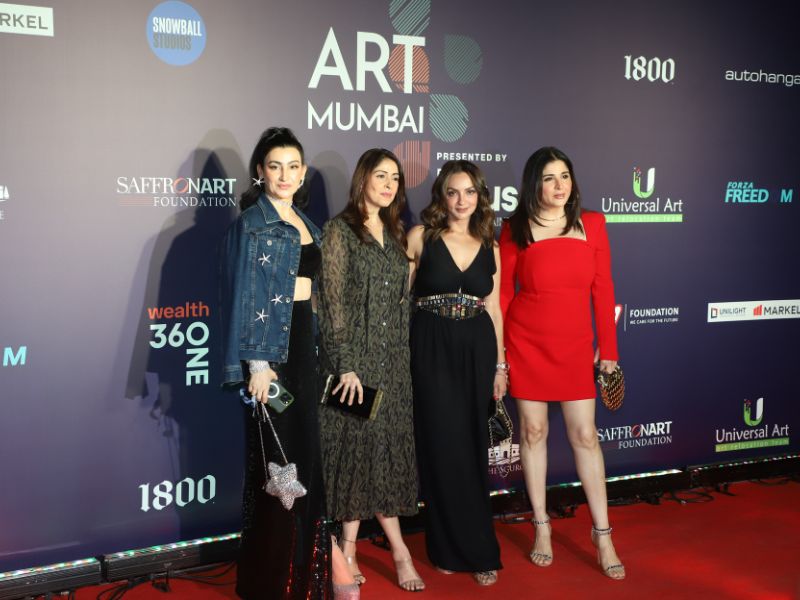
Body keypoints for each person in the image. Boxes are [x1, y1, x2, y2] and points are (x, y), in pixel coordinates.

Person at [221, 127, 358, 599]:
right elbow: (241, 295)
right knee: (281, 469)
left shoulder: (306, 223)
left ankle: (312, 570)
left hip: (304, 353)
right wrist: (257, 365)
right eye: (275, 166)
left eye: (293, 166)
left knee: (307, 464)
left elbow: (312, 298)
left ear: (302, 174)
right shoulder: (251, 224)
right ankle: (278, 582)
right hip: (272, 360)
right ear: (260, 171)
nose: (284, 175)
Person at [499, 146, 626, 580]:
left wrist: (609, 348)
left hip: (574, 345)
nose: (559, 186)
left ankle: (603, 534)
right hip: (526, 342)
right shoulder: (515, 228)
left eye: (565, 176)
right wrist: (500, 356)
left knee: (585, 435)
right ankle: (542, 526)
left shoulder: (593, 223)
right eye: (549, 177)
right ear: (534, 182)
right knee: (533, 433)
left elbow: (604, 288)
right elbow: (504, 295)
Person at [318, 148, 425, 593]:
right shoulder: (339, 231)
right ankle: (376, 551)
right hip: (354, 368)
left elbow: (403, 303)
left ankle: (365, 550)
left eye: (395, 178)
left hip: (394, 364)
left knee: (386, 455)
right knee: (356, 455)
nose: (389, 185)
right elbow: (331, 304)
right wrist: (345, 366)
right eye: (381, 176)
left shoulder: (397, 233)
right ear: (362, 178)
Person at [406, 160, 505, 586]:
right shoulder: (420, 238)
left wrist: (500, 366)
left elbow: (494, 309)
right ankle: (445, 547)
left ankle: (480, 549)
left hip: (476, 350)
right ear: (441, 196)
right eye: (452, 192)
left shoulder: (490, 244)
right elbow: (400, 301)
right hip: (430, 348)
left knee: (473, 447)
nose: (461, 200)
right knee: (440, 446)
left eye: (469, 192)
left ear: (480, 196)